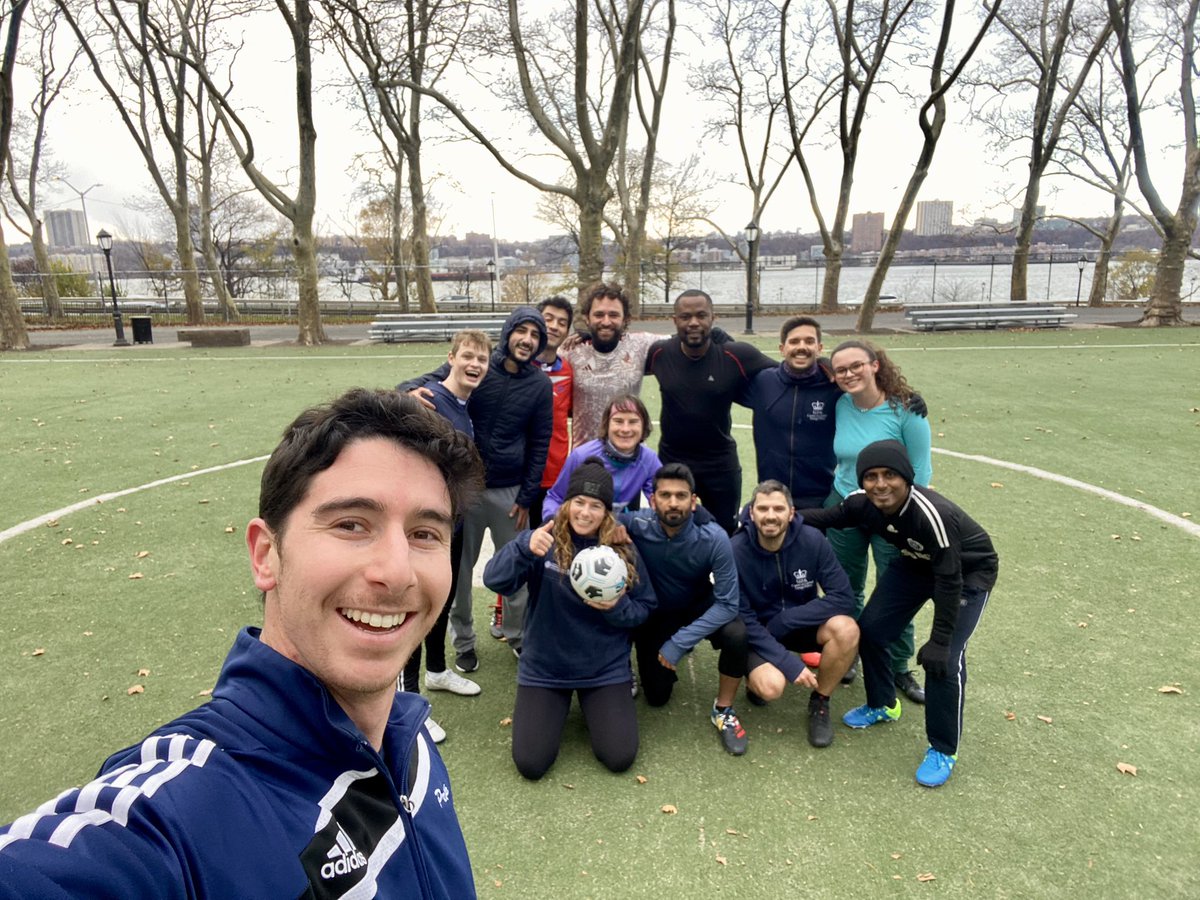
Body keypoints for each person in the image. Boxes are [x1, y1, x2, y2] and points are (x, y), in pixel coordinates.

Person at [0, 388, 484, 897]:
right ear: (265, 555)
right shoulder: (185, 810)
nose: (397, 571)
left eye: (425, 534)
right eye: (351, 525)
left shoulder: (412, 740)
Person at [799, 441, 998, 787]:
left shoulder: (931, 513)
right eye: (871, 476)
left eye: (889, 475)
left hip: (967, 576)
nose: (880, 484)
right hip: (916, 566)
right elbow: (829, 517)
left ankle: (942, 748)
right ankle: (883, 703)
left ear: (906, 477)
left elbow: (949, 580)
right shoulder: (863, 504)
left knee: (945, 660)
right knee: (872, 631)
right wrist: (784, 514)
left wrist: (939, 640)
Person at [483, 458, 657, 780]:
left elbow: (645, 607)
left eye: (595, 505)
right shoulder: (543, 541)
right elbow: (495, 580)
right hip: (545, 667)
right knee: (531, 764)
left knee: (619, 756)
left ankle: (596, 705)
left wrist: (617, 607)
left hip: (603, 667)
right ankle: (557, 706)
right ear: (566, 503)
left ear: (607, 512)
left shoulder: (621, 550)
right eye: (579, 502)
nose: (585, 512)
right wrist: (523, 546)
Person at [400, 306, 553, 669]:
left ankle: (516, 635)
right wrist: (405, 391)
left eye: (535, 335)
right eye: (522, 331)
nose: (527, 340)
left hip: (510, 494)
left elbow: (540, 442)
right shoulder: (479, 366)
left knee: (517, 569)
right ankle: (464, 641)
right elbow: (425, 382)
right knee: (459, 574)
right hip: (465, 491)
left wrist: (528, 495)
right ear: (509, 332)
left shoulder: (539, 386)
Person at [825, 338, 932, 703]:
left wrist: (908, 515)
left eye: (857, 365)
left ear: (875, 365)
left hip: (893, 511)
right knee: (845, 584)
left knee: (895, 587)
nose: (849, 374)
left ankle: (900, 665)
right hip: (845, 504)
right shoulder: (840, 404)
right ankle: (849, 651)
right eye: (841, 370)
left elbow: (920, 469)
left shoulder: (906, 410)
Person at [621, 463, 749, 756]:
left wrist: (679, 642)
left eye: (681, 496)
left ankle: (724, 709)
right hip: (657, 613)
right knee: (656, 697)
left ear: (694, 501)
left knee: (736, 633)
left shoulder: (714, 537)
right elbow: (596, 521)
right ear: (653, 500)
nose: (673, 502)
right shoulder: (634, 524)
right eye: (665, 495)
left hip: (697, 606)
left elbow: (729, 603)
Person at [401, 331, 492, 727]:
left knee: (443, 595)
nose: (475, 365)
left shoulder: (463, 405)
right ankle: (409, 699)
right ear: (451, 358)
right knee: (416, 604)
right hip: (424, 525)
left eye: (481, 360)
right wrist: (401, 395)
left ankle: (436, 671)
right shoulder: (428, 399)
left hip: (451, 524)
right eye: (468, 356)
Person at [731, 480, 859, 748]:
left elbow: (843, 596)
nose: (770, 516)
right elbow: (741, 617)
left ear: (791, 513)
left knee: (846, 629)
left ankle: (820, 702)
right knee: (771, 688)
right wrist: (787, 663)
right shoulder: (735, 550)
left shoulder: (813, 540)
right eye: (763, 509)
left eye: (778, 508)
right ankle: (753, 679)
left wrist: (787, 619)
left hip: (799, 625)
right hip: (759, 633)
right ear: (752, 513)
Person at [644, 289, 774, 533]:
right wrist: (589, 338)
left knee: (724, 532)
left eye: (701, 315)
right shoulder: (660, 353)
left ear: (712, 318)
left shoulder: (735, 355)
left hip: (720, 463)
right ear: (675, 321)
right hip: (673, 459)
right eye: (686, 317)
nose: (694, 322)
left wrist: (823, 363)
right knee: (669, 530)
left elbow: (788, 372)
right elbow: (618, 357)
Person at [743, 316, 842, 509]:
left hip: (819, 497)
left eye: (809, 341)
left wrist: (905, 395)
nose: (802, 347)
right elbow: (723, 371)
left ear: (819, 348)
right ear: (782, 349)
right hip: (771, 494)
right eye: (794, 341)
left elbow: (869, 386)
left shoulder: (834, 385)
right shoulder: (763, 382)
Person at [561, 283, 660, 447]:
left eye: (613, 315)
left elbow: (683, 339)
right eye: (599, 315)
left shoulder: (641, 344)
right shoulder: (571, 350)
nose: (606, 322)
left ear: (625, 319)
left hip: (630, 456)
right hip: (586, 460)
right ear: (587, 317)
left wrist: (717, 337)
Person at [543, 393, 661, 518]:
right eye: (618, 421)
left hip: (618, 528)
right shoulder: (581, 456)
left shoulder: (649, 459)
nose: (625, 429)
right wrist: (552, 524)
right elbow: (555, 498)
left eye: (633, 422)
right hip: (582, 525)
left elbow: (661, 499)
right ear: (607, 424)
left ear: (643, 426)